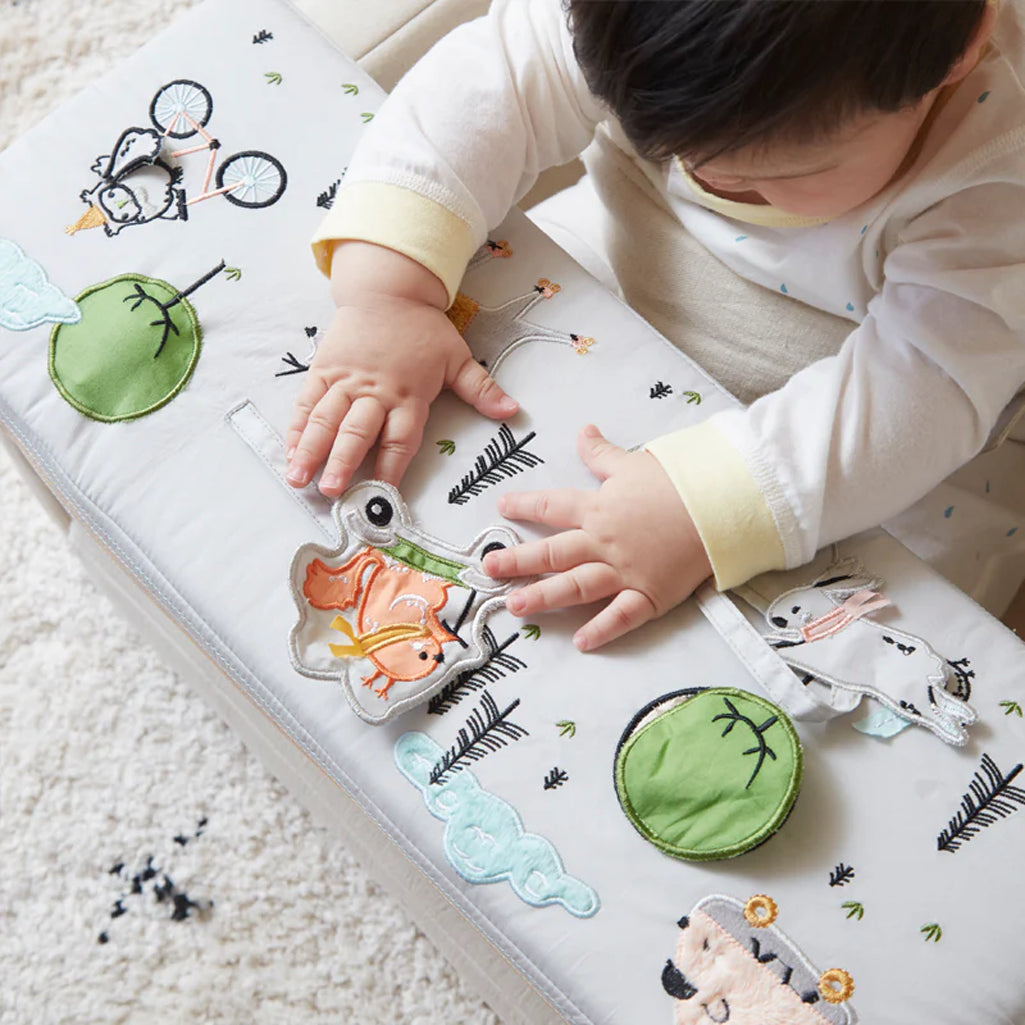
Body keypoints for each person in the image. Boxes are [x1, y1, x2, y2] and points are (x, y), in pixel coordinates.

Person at [285, 0, 1025, 653]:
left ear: (957, 47)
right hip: (619, 266)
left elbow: (925, 385)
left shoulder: (999, 172)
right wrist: (389, 292)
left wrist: (707, 508)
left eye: (778, 174)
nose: (710, 180)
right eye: (675, 147)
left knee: (889, 629)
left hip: (894, 418)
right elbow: (496, 78)